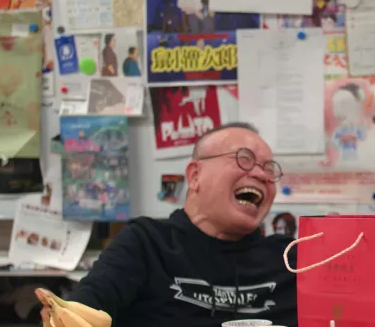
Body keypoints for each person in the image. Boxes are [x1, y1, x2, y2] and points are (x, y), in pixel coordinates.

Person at [40, 122, 298, 327]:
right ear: (195, 176)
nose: (261, 175)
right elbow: (83, 311)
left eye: (269, 169)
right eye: (244, 159)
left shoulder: (293, 258)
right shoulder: (145, 244)